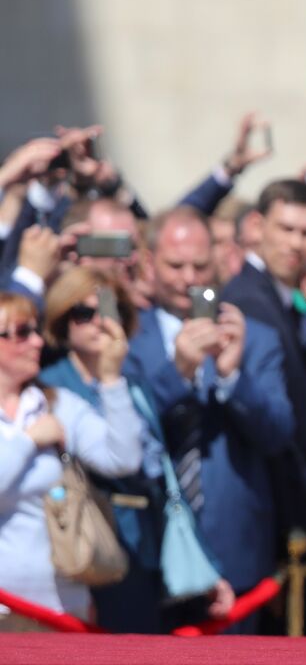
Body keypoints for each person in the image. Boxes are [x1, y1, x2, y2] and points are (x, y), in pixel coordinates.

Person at [125, 207, 294, 629]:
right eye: (175, 265)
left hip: (235, 550)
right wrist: (177, 372)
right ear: (149, 263)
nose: (188, 279)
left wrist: (232, 375)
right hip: (149, 547)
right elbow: (126, 435)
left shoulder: (254, 336)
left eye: (200, 266)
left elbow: (278, 434)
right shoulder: (124, 335)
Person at [39, 268, 233, 632]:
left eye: (110, 312)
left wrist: (204, 567)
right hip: (89, 549)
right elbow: (120, 461)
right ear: (63, 320)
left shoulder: (134, 383)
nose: (99, 323)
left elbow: (163, 475)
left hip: (147, 546)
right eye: (84, 313)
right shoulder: (51, 389)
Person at [220, 178, 306, 628]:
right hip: (265, 505)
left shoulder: (287, 300)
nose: (296, 243)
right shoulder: (248, 300)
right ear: (257, 226)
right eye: (286, 229)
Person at [0, 292, 143, 629]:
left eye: (35, 330)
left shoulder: (58, 403)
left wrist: (111, 380)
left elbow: (122, 459)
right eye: (21, 332)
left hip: (63, 605)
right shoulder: (39, 426)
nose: (36, 341)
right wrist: (28, 441)